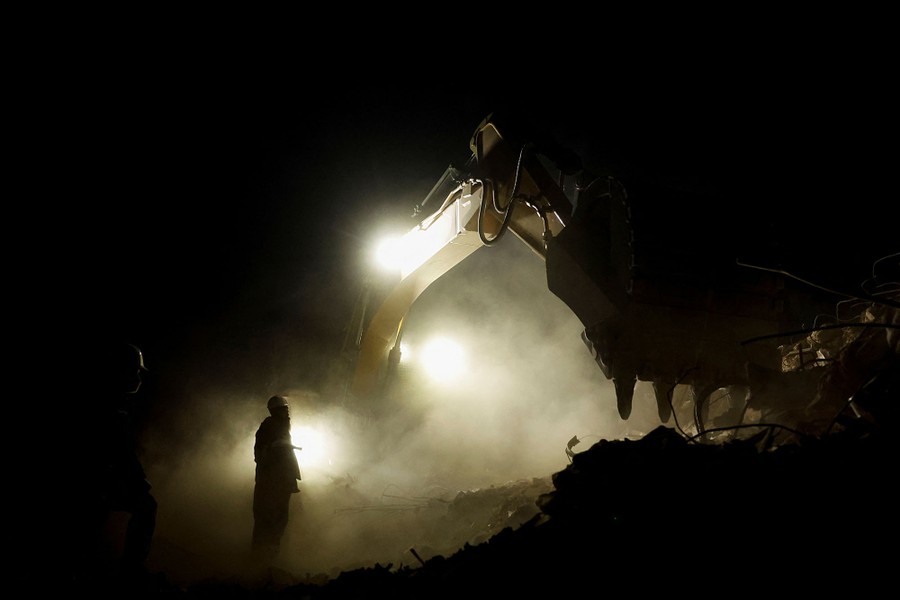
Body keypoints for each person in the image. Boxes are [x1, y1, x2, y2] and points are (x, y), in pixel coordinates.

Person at [68, 341, 159, 592]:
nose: (139, 377)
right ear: (120, 370)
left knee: (91, 521)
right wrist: (137, 480)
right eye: (135, 371)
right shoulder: (107, 406)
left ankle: (84, 569)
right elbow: (119, 450)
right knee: (144, 506)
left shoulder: (106, 401)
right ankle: (127, 575)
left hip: (95, 479)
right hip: (90, 480)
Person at [252, 395, 302, 564]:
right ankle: (263, 554)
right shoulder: (270, 426)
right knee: (270, 516)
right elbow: (262, 455)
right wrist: (277, 448)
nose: (287, 413)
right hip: (272, 481)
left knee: (278, 516)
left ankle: (269, 552)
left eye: (286, 409)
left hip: (280, 480)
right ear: (275, 411)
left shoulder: (280, 427)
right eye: (283, 410)